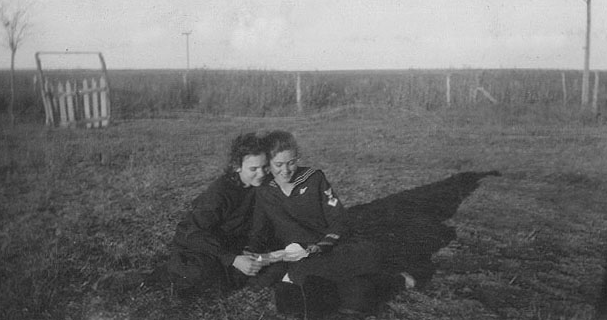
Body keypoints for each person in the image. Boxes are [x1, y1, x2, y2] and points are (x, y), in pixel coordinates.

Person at [247, 130, 414, 317]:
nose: (285, 170)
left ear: (297, 158)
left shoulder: (314, 178)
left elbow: (339, 220)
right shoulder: (264, 190)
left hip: (332, 250)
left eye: (291, 162)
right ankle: (389, 282)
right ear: (269, 163)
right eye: (278, 164)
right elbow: (259, 230)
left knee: (369, 254)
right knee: (350, 298)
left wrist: (321, 246)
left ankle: (384, 281)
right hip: (298, 256)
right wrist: (251, 254)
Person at [150, 132, 270, 295]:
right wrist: (233, 259)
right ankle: (161, 274)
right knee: (203, 274)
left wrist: (249, 248)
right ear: (237, 166)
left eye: (265, 167)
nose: (261, 174)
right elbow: (195, 234)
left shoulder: (261, 185)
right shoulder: (219, 193)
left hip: (230, 244)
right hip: (198, 245)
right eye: (253, 169)